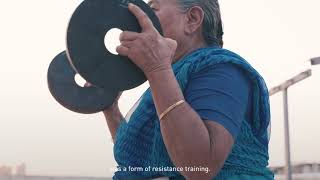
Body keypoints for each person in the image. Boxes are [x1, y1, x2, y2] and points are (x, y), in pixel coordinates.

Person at [102, 0, 274, 179]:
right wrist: (111, 109)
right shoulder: (169, 80)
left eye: (152, 8)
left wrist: (157, 69)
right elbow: (137, 158)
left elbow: (200, 167)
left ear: (192, 19)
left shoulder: (221, 69)